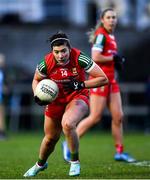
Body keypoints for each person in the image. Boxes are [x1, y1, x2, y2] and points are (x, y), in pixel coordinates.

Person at [23, 31, 108, 177]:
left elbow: (103, 78)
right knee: (50, 139)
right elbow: (36, 79)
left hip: (77, 96)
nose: (60, 55)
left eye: (63, 51)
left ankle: (74, 162)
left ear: (69, 48)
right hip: (55, 101)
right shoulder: (46, 62)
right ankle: (40, 164)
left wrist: (81, 84)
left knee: (68, 124)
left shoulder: (80, 57)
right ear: (52, 51)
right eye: (56, 52)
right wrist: (37, 94)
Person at [62, 8, 136, 163]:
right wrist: (113, 59)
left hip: (111, 81)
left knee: (118, 117)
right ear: (102, 20)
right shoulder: (101, 35)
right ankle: (67, 144)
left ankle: (119, 151)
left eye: (114, 17)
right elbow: (95, 57)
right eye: (108, 17)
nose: (112, 20)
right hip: (100, 81)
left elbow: (107, 57)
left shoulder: (110, 35)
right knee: (95, 117)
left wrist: (114, 61)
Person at [0, 54, 7, 140]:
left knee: (1, 115)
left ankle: (2, 132)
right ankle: (1, 133)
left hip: (0, 96)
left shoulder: (1, 72)